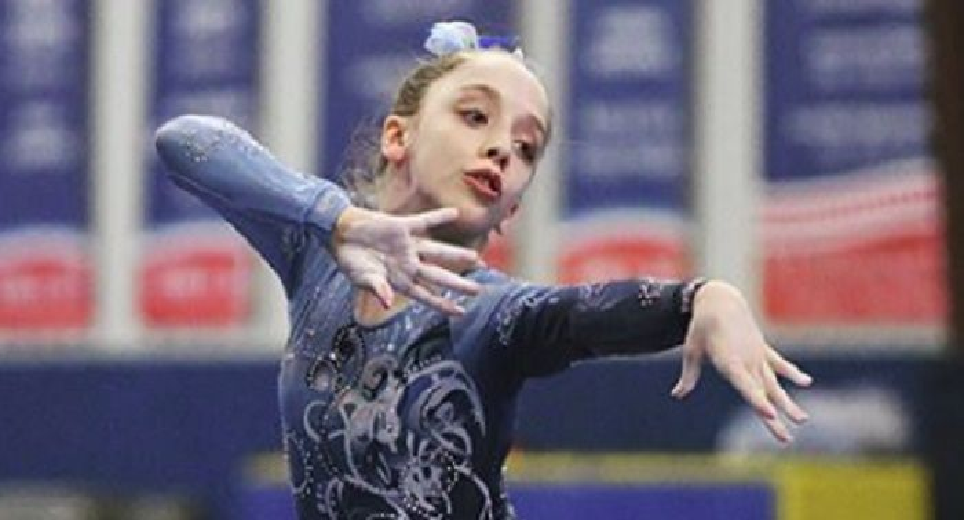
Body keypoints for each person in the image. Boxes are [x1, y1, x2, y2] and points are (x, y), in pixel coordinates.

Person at [155, 20, 811, 520]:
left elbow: (584, 312)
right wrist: (339, 221)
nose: (501, 148)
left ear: (513, 204)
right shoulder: (318, 262)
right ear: (397, 137)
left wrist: (701, 298)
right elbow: (185, 142)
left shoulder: (492, 313)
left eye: (526, 148)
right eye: (474, 116)